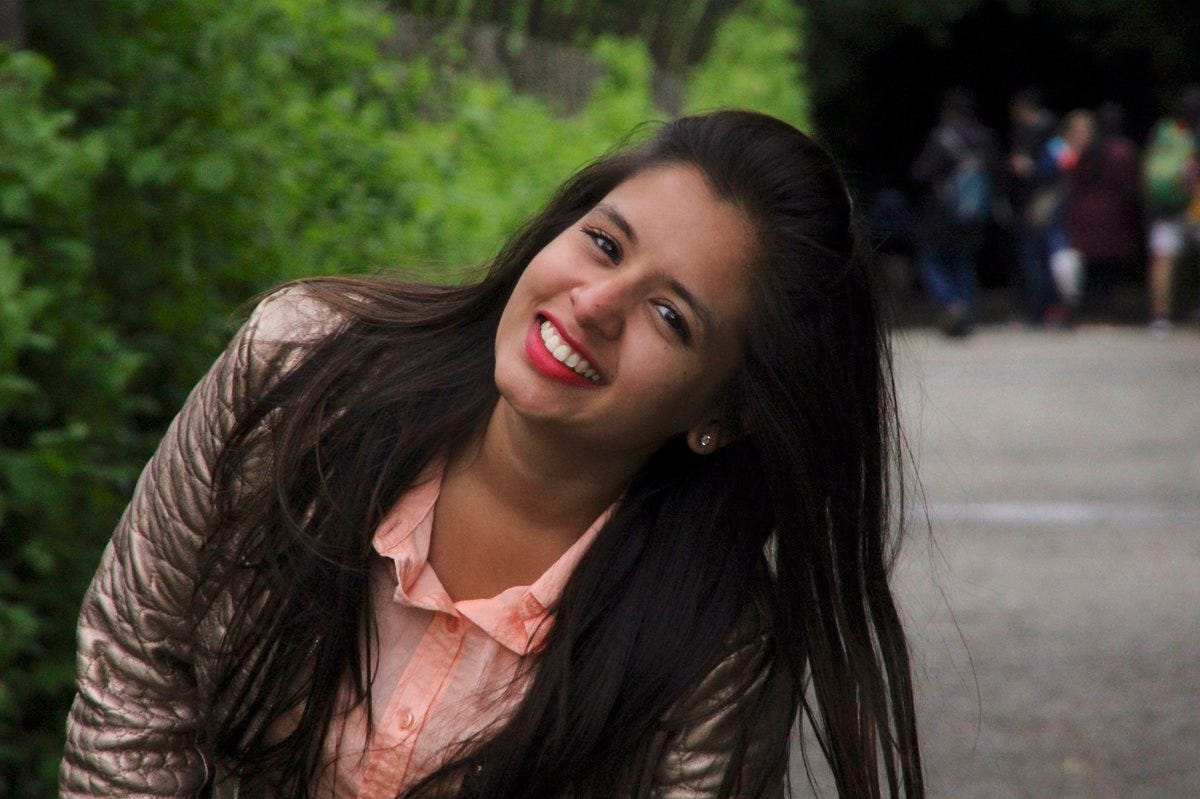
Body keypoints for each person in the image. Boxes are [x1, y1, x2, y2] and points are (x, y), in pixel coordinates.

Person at [60, 111, 923, 798]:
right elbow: (134, 667)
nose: (595, 303)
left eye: (670, 317)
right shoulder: (294, 370)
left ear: (721, 413)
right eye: (605, 243)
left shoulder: (719, 652)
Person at [911, 88, 996, 336]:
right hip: (974, 212)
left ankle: (951, 304)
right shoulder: (985, 138)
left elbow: (921, 173)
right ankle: (968, 313)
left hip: (943, 212)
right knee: (964, 262)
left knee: (931, 260)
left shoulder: (942, 137)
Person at [1063, 103, 1142, 316]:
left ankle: (1088, 311)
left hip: (1085, 215)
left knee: (1090, 267)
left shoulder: (1090, 150)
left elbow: (1075, 181)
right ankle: (1103, 311)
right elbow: (1129, 186)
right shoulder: (1122, 150)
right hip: (1113, 215)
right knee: (1107, 269)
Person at [1141, 86, 1200, 335]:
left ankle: (1160, 319)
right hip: (1195, 203)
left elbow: (1147, 167)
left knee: (1163, 260)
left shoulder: (1163, 130)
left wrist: (1149, 204)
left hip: (1165, 205)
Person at [1006, 88, 1058, 325]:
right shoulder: (1053, 132)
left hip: (1037, 204)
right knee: (1041, 258)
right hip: (1041, 204)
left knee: (1034, 260)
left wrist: (1029, 168)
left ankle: (1038, 311)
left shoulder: (1041, 134)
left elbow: (1056, 169)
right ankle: (1045, 310)